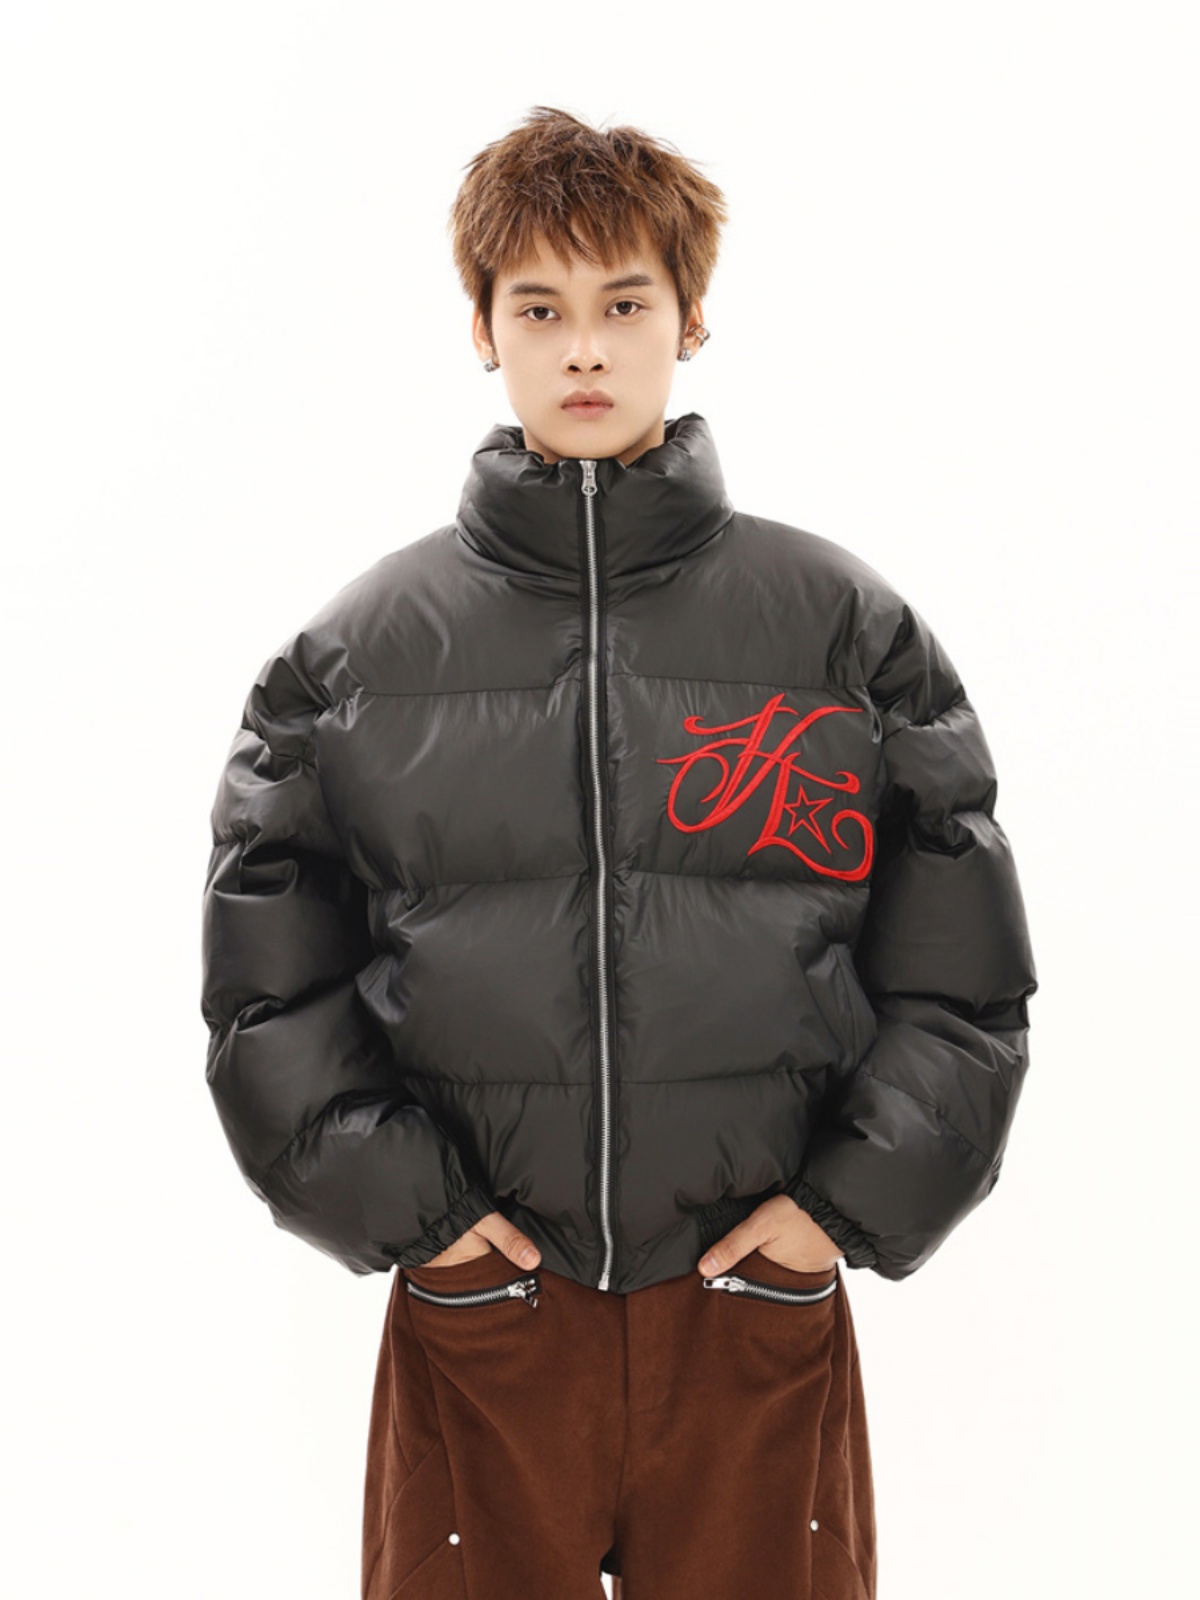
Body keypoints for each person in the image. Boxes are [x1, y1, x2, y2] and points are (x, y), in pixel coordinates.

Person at [200, 105, 1038, 1599]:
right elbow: (269, 993)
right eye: (540, 309)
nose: (584, 349)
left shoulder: (843, 633)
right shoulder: (355, 660)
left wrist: (832, 1220)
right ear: (481, 329)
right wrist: (428, 1228)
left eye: (624, 304)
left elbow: (960, 981)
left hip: (749, 1315)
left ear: (690, 318)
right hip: (484, 1318)